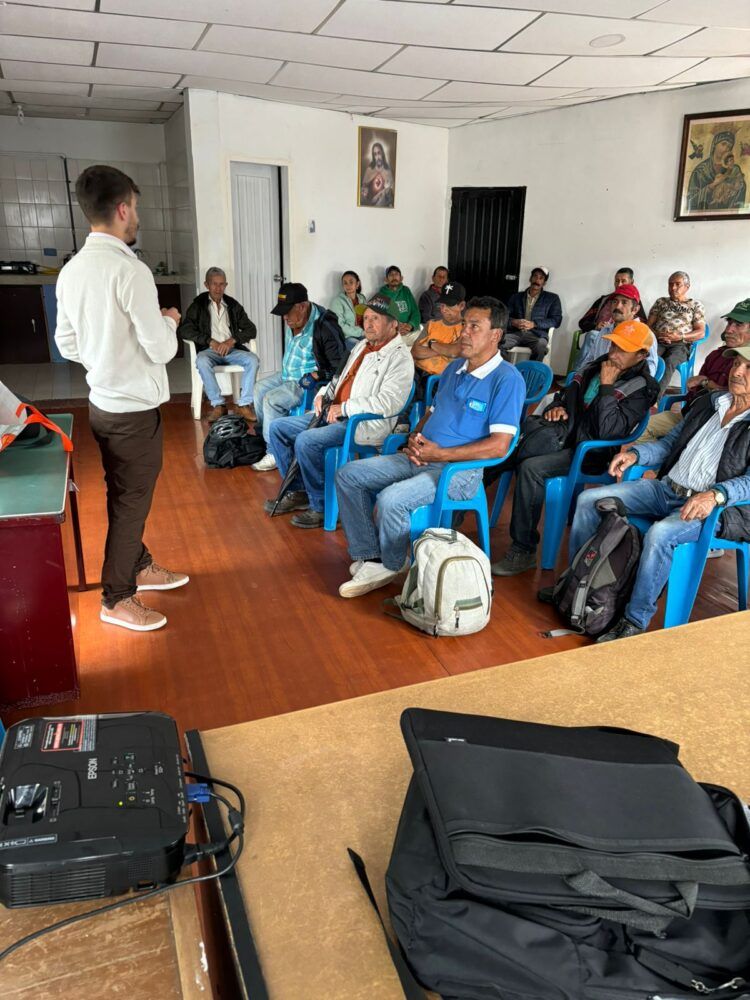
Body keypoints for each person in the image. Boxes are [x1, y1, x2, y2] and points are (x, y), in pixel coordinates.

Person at [55, 164, 188, 633]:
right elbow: (162, 348)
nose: (137, 218)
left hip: (102, 406)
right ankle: (116, 598)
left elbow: (67, 344)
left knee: (123, 494)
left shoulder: (72, 272)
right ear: (123, 208)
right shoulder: (130, 272)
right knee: (131, 503)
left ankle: (138, 563)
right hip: (134, 412)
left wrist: (105, 352)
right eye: (136, 209)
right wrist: (168, 319)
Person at [335, 297, 526, 598]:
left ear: (495, 335)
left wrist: (441, 454)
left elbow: (500, 447)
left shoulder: (507, 379)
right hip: (422, 456)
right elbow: (432, 412)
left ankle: (391, 563)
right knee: (348, 475)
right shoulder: (454, 370)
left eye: (474, 326)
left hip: (458, 472)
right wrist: (416, 436)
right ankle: (371, 556)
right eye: (465, 324)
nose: (464, 332)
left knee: (391, 500)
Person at [567, 343, 750, 643]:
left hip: (714, 508)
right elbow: (669, 445)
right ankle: (579, 586)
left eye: (748, 367)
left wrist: (715, 495)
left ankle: (634, 620)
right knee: (589, 500)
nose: (737, 372)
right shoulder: (710, 402)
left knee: (660, 534)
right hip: (667, 489)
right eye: (736, 364)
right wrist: (636, 455)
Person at [492, 321, 658, 577]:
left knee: (530, 467)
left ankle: (523, 549)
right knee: (506, 445)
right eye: (614, 344)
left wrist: (607, 386)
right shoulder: (596, 365)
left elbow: (607, 431)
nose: (614, 352)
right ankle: (459, 505)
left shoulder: (642, 387)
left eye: (623, 349)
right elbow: (564, 396)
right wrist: (555, 408)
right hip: (563, 436)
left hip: (590, 453)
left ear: (642, 355)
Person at [264, 294, 414, 528]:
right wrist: (323, 393)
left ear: (393, 324)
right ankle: (300, 491)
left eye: (376, 318)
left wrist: (345, 407)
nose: (368, 323)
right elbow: (338, 378)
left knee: (307, 441)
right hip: (333, 413)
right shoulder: (362, 346)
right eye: (366, 318)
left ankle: (321, 506)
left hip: (360, 423)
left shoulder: (400, 358)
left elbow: (389, 402)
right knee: (278, 428)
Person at [251, 282, 347, 472]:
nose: (284, 317)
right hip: (287, 374)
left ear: (302, 306)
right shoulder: (295, 319)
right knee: (259, 388)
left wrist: (317, 374)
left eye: (288, 311)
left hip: (305, 382)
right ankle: (267, 438)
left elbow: (339, 367)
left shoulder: (325, 326)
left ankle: (274, 453)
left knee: (271, 400)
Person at [636, 298, 750, 443]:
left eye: (738, 325)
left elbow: (735, 401)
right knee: (642, 429)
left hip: (717, 426)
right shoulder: (716, 355)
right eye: (729, 322)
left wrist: (706, 382)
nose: (729, 329)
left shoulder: (693, 306)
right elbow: (694, 388)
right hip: (690, 415)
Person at [178, 267, 258, 424]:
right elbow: (185, 329)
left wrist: (231, 341)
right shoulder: (198, 305)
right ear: (206, 284)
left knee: (253, 360)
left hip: (232, 350)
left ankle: (244, 404)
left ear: (226, 285)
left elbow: (251, 329)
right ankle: (218, 404)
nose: (218, 288)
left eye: (222, 284)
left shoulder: (233, 305)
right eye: (214, 284)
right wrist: (210, 341)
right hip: (210, 351)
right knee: (202, 360)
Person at [574, 283, 658, 376]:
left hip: (624, 386)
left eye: (624, 302)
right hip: (597, 382)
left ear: (635, 309)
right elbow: (590, 359)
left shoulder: (645, 335)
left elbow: (650, 371)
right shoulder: (604, 331)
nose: (617, 306)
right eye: (615, 302)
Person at [647, 271, 706, 394]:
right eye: (670, 284)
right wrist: (658, 335)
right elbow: (648, 326)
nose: (673, 288)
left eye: (677, 284)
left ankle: (653, 400)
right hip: (659, 341)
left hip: (681, 344)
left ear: (687, 287)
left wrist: (679, 337)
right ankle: (640, 393)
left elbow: (701, 332)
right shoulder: (661, 302)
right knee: (649, 359)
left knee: (670, 361)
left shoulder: (695, 305)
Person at [503, 267, 562, 362]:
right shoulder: (516, 297)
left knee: (541, 346)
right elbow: (504, 317)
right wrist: (514, 322)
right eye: (535, 276)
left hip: (537, 335)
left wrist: (534, 324)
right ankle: (508, 372)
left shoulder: (552, 299)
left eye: (541, 278)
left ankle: (531, 373)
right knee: (497, 343)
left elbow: (556, 320)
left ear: (544, 282)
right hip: (516, 332)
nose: (537, 280)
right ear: (530, 279)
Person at [687, 131, 747, 212]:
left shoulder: (734, 169)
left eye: (729, 146)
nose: (726, 148)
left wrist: (735, 182)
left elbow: (740, 194)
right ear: (714, 145)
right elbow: (690, 201)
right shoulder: (700, 171)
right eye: (723, 144)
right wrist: (712, 185)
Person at [578, 267, 647, 332]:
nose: (619, 285)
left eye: (623, 281)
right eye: (617, 281)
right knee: (592, 335)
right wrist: (596, 327)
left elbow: (643, 325)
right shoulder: (603, 300)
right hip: (599, 335)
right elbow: (583, 323)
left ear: (631, 282)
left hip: (625, 337)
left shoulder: (634, 302)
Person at [378, 265, 421, 337]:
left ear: (401, 278)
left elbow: (415, 312)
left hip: (409, 329)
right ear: (386, 279)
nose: (394, 277)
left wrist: (410, 325)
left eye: (396, 274)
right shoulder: (381, 294)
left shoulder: (406, 290)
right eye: (391, 275)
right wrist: (397, 326)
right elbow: (381, 318)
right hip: (393, 332)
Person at [330, 270, 367, 350]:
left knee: (378, 345)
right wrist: (361, 332)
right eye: (345, 283)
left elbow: (367, 317)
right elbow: (340, 325)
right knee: (361, 349)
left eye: (351, 282)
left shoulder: (362, 299)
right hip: (347, 337)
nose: (348, 285)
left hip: (364, 333)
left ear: (357, 284)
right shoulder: (338, 301)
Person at [360, 141, 394, 207]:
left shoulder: (387, 170)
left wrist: (387, 188)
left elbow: (392, 191)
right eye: (375, 154)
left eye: (379, 153)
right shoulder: (370, 169)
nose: (377, 157)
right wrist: (364, 189)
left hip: (382, 202)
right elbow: (364, 186)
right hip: (369, 202)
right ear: (373, 156)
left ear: (382, 154)